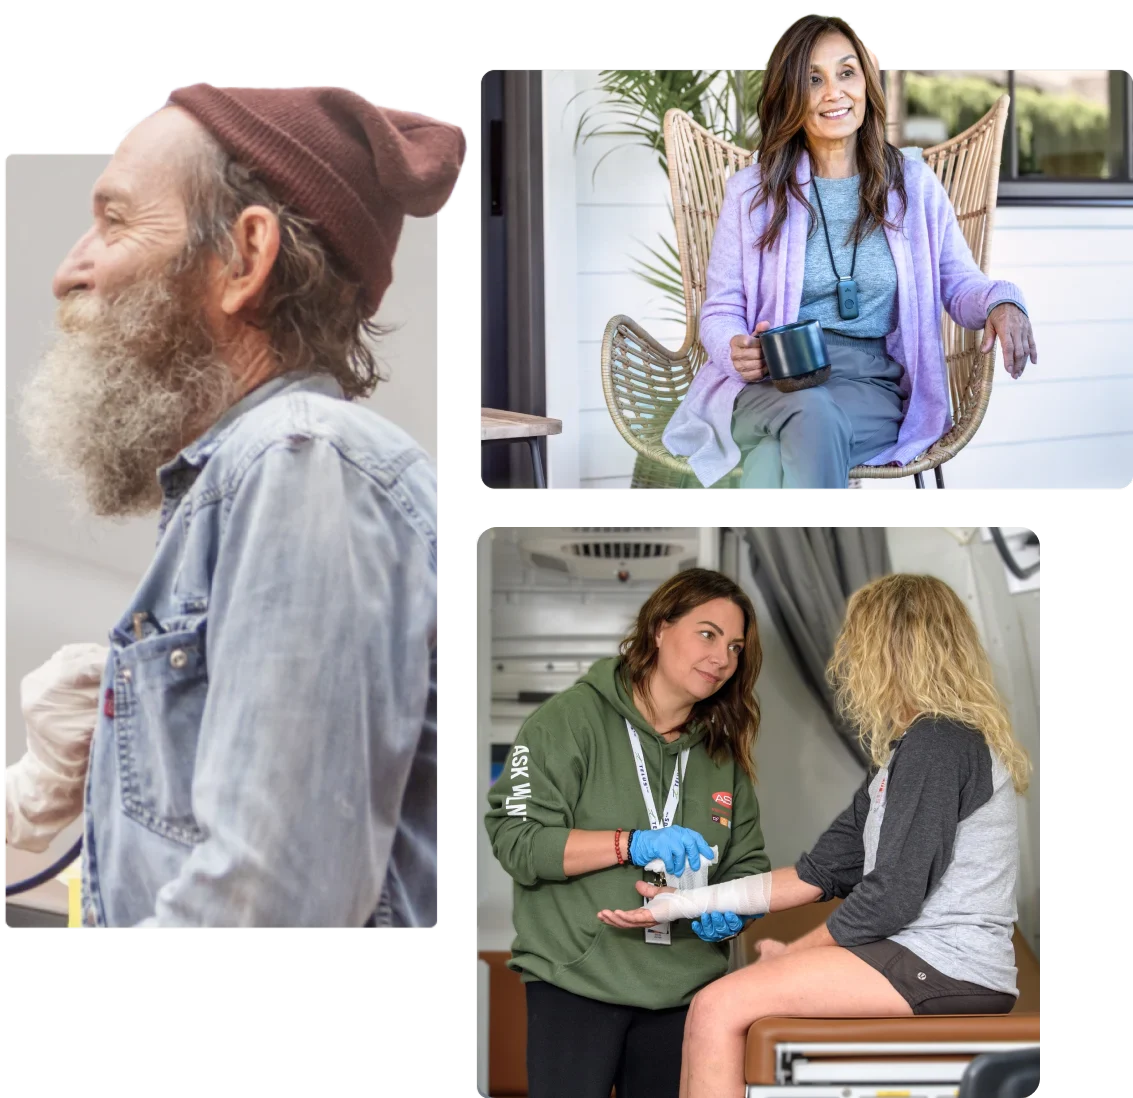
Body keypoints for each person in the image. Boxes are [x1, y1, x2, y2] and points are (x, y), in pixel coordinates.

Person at [7, 83, 465, 927]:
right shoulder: (251, 475)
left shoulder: (299, 459)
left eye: (115, 222)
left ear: (246, 257)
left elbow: (268, 903)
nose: (69, 269)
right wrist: (82, 760)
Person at [599, 573, 1032, 1098]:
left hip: (948, 966)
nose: (849, 660)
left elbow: (891, 897)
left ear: (889, 651)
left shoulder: (939, 743)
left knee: (718, 1005)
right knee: (716, 1004)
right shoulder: (902, 756)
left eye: (858, 644)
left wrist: (793, 954)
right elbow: (817, 873)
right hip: (927, 959)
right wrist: (685, 903)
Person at [661, 13, 1039, 489]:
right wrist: (734, 348)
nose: (834, 92)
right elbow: (720, 309)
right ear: (789, 94)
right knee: (809, 416)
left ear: (866, 84)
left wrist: (1002, 301)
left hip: (869, 385)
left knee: (779, 453)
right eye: (813, 79)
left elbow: (959, 283)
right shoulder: (752, 193)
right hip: (770, 383)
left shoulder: (913, 185)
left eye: (846, 72)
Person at [484, 568, 774, 1098]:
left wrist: (734, 912)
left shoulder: (720, 752)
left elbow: (748, 864)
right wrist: (630, 844)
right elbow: (518, 841)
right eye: (707, 634)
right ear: (660, 629)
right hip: (574, 982)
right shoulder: (567, 721)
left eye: (735, 647)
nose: (722, 658)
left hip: (687, 993)